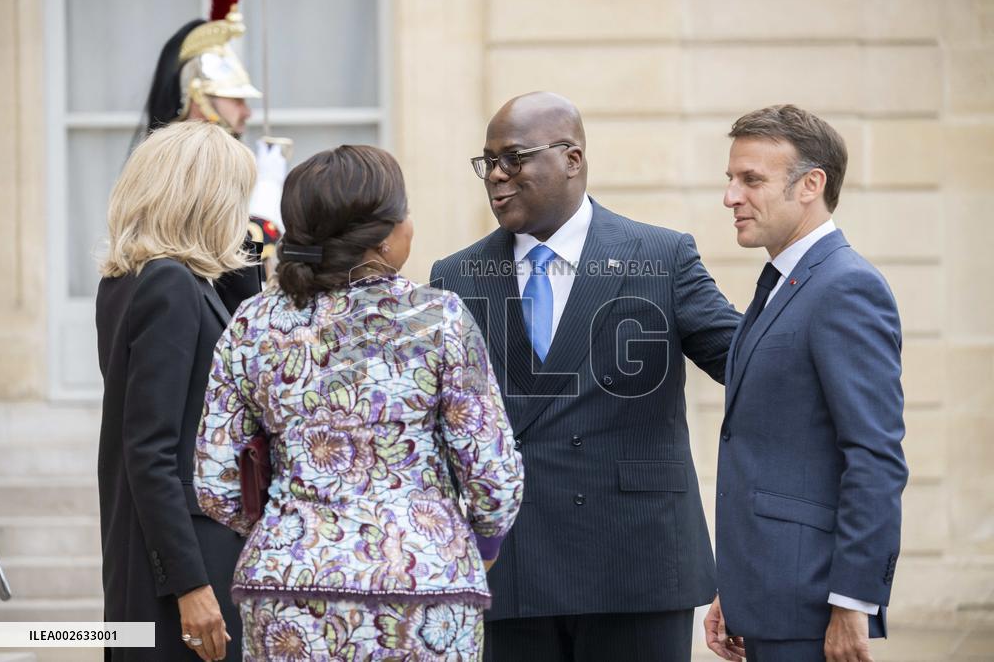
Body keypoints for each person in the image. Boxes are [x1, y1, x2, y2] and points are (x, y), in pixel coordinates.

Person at [430, 91, 741, 662]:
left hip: (636, 562)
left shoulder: (661, 257)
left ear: (571, 159)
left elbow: (745, 364)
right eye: (488, 162)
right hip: (512, 567)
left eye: (513, 158)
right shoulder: (456, 276)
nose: (496, 175)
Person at [194, 145, 525, 660]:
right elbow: (493, 478)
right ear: (383, 236)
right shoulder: (438, 318)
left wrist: (288, 528)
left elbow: (215, 485)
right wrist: (483, 543)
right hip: (422, 587)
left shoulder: (253, 323)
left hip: (288, 590)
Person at [704, 104, 908, 662]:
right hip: (769, 595)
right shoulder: (783, 282)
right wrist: (738, 589)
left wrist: (852, 602)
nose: (730, 197)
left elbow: (875, 456)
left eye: (751, 180)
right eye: (730, 179)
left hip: (814, 605)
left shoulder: (846, 288)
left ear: (810, 185)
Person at [96, 121, 257, 662]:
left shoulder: (133, 280)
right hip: (186, 557)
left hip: (162, 548)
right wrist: (190, 585)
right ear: (207, 199)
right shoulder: (170, 284)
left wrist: (242, 263)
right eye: (237, 196)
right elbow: (150, 449)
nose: (241, 211)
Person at [139, 0, 286, 309]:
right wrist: (266, 197)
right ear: (199, 97)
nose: (246, 112)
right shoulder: (180, 163)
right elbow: (229, 249)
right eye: (236, 100)